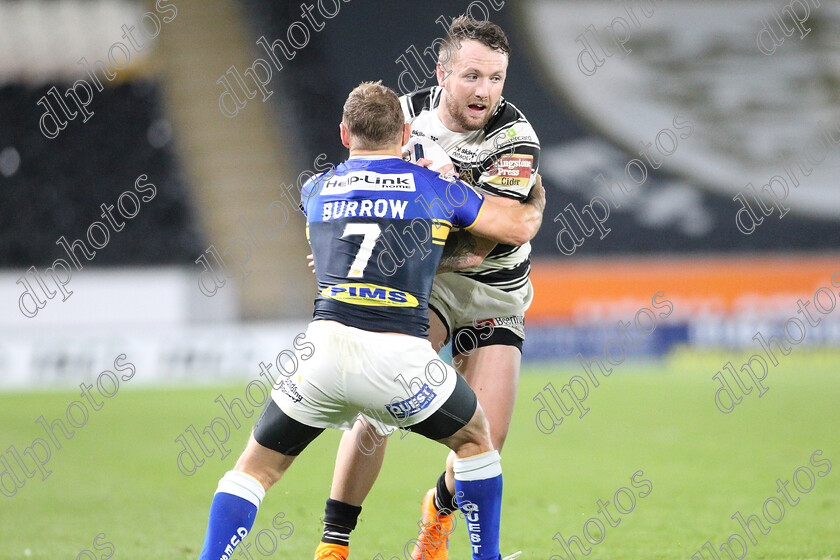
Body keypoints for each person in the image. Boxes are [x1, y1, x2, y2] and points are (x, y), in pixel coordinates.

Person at [194, 81, 545, 560]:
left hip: (320, 354)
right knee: (476, 441)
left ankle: (268, 552)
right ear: (405, 133)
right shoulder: (434, 188)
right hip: (395, 356)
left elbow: (345, 236)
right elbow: (511, 227)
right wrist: (534, 205)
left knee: (253, 470)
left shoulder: (315, 189)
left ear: (343, 133)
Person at [320, 16, 542, 560]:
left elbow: (479, 247)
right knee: (380, 396)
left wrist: (384, 259)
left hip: (493, 291)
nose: (484, 91)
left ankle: (437, 513)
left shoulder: (515, 139)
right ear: (442, 73)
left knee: (485, 438)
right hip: (427, 287)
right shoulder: (404, 121)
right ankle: (334, 545)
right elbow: (360, 194)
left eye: (496, 78)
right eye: (472, 76)